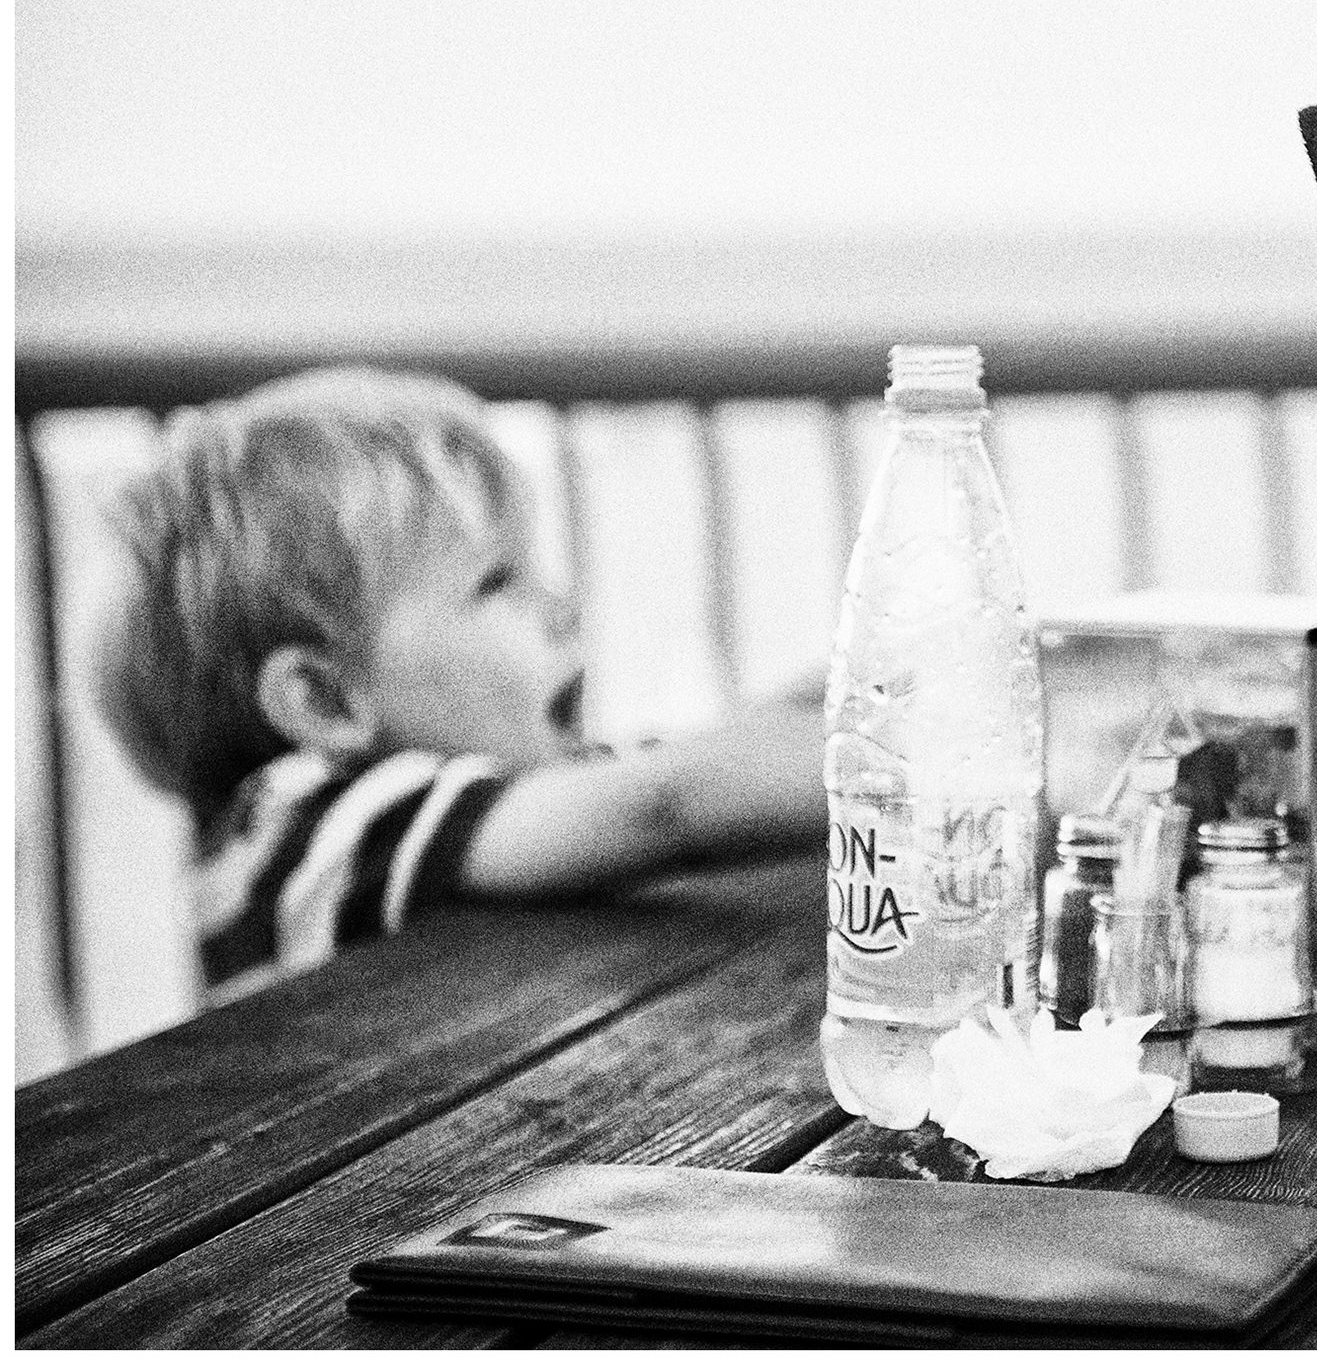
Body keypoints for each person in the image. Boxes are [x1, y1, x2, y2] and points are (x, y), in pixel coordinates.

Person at [94, 367, 826, 1002]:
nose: (561, 606)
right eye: (496, 581)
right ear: (326, 699)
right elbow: (664, 802)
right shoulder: (318, 827)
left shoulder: (442, 808)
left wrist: (856, 694)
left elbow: (694, 759)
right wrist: (897, 769)